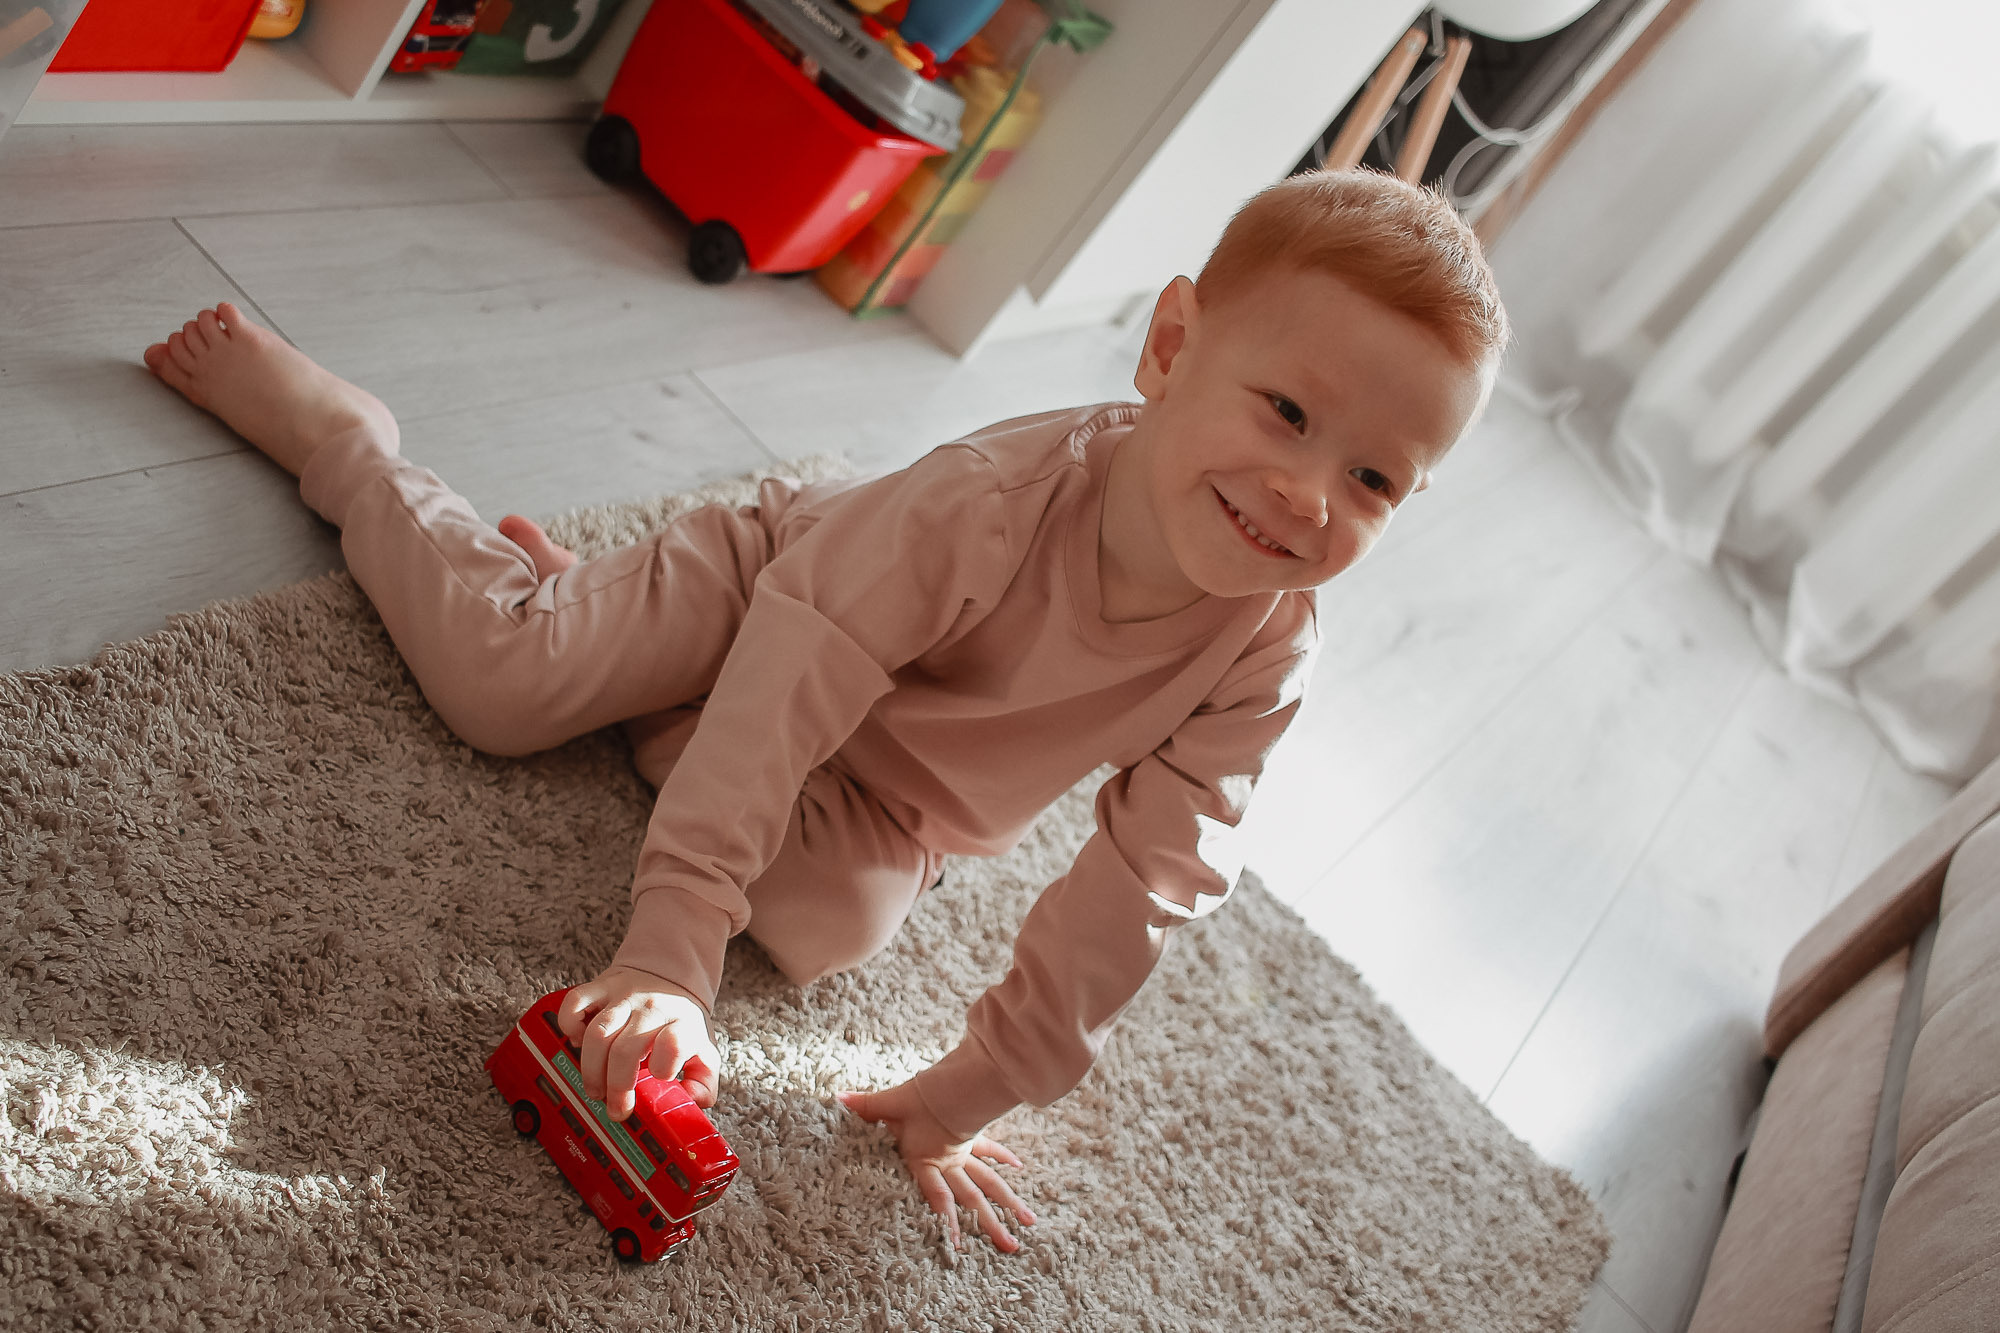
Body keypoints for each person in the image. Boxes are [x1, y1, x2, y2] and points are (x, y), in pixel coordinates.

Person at [140, 167, 1506, 1254]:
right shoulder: (989, 500)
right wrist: (671, 951)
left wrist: (983, 1082)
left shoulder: (1264, 656)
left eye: (1377, 480)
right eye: (1285, 412)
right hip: (776, 597)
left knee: (829, 927)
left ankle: (638, 668)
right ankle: (355, 452)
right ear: (1169, 347)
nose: (1310, 496)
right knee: (506, 688)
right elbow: (797, 668)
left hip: (889, 794)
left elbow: (1150, 882)